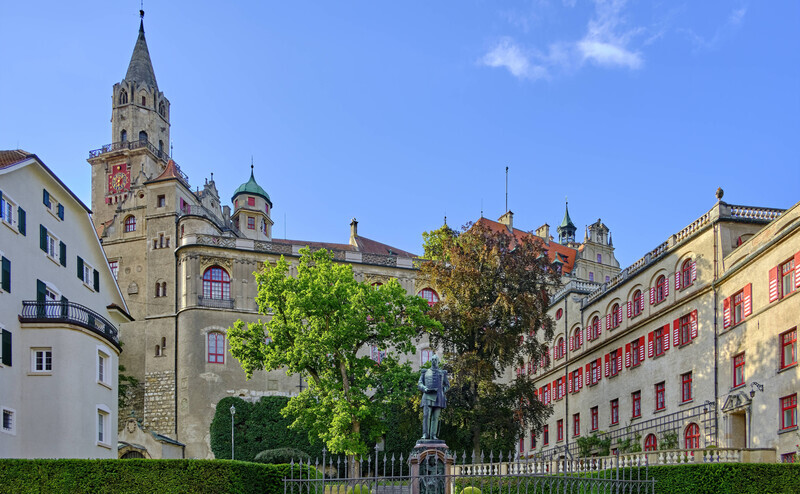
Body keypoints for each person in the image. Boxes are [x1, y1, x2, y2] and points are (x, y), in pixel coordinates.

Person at [418, 354, 449, 440]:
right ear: (431, 361)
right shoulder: (425, 372)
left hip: (439, 397)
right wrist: (425, 388)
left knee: (435, 417)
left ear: (438, 361)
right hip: (427, 396)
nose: (434, 361)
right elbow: (420, 384)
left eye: (435, 360)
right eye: (432, 359)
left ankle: (433, 435)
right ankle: (425, 434)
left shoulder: (442, 373)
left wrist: (443, 390)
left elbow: (447, 385)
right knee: (426, 416)